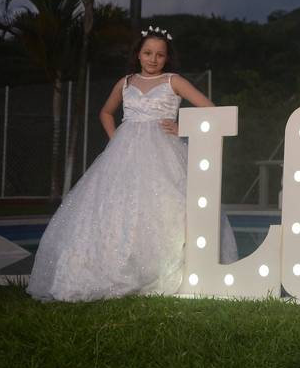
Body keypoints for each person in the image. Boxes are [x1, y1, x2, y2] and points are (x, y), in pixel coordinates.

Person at [28, 26, 237, 301]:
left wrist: (183, 126)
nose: (153, 59)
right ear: (138, 54)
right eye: (148, 53)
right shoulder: (125, 83)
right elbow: (105, 112)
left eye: (160, 55)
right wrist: (117, 138)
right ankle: (116, 267)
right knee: (116, 207)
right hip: (123, 153)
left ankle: (169, 268)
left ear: (166, 58)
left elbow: (211, 109)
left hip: (164, 152)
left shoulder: (173, 81)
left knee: (167, 204)